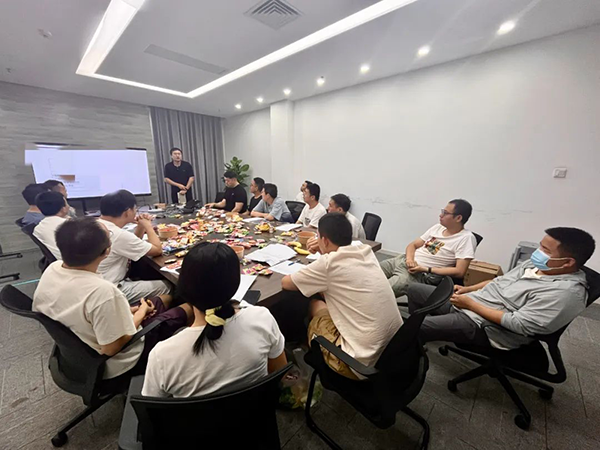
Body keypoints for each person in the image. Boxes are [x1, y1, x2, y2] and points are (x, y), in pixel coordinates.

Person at [33, 217, 191, 380]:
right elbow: (112, 348)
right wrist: (141, 312)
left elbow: (85, 311)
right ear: (107, 251)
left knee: (165, 299)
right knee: (188, 307)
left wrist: (128, 311)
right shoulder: (103, 292)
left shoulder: (52, 269)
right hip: (117, 361)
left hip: (82, 345)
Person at [407, 227, 595, 350]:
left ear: (567, 262)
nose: (538, 252)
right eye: (541, 246)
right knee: (414, 289)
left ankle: (411, 346)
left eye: (546, 250)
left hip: (486, 326)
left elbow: (520, 325)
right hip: (472, 302)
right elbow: (499, 281)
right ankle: (418, 340)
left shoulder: (566, 293)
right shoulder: (535, 265)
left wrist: (471, 305)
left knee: (412, 328)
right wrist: (468, 290)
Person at [142, 243, 287, 397]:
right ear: (235, 283)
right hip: (257, 410)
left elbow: (152, 407)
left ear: (183, 287)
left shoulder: (163, 355)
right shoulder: (262, 319)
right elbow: (280, 373)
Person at [282, 213, 402, 379]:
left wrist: (323, 254)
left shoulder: (328, 264)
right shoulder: (364, 251)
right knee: (325, 296)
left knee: (315, 304)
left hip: (358, 364)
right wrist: (324, 251)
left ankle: (309, 352)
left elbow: (286, 283)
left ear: (324, 240)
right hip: (394, 351)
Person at [380, 199, 477, 297]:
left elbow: (460, 271)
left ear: (458, 218)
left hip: (418, 274)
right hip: (403, 260)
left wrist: (425, 269)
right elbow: (413, 245)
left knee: (380, 292)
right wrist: (409, 260)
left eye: (445, 213)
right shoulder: (437, 227)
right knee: (370, 273)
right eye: (442, 211)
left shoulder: (466, 238)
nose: (441, 215)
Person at [98, 190, 171, 304]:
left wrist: (141, 226)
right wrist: (148, 226)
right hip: (112, 289)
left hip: (97, 285)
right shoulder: (117, 234)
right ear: (127, 212)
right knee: (167, 286)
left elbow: (132, 244)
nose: (136, 211)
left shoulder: (98, 225)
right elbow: (157, 250)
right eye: (135, 208)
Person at [32, 191, 70, 260]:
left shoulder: (38, 228)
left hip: (60, 262)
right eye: (66, 203)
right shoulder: (69, 225)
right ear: (63, 208)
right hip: (78, 262)